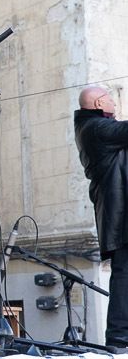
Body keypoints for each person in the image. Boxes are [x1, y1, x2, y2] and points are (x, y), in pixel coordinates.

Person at [75, 86, 128, 349]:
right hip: (121, 217)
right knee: (125, 274)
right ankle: (119, 338)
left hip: (120, 214)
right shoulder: (96, 128)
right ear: (98, 103)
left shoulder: (95, 127)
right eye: (110, 98)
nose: (114, 103)